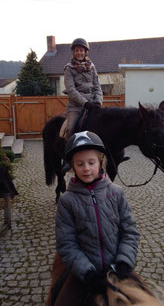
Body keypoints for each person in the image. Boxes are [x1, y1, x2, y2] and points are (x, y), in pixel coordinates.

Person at [54, 131, 140, 305]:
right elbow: (66, 243)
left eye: (91, 162)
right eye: (80, 164)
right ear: (73, 167)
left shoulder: (116, 193)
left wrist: (124, 261)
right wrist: (87, 272)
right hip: (85, 273)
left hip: (117, 267)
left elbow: (130, 231)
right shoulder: (67, 201)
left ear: (101, 162)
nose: (86, 168)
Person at [63, 38, 103, 140]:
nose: (79, 53)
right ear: (73, 52)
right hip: (76, 107)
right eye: (77, 50)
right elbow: (71, 90)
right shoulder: (69, 68)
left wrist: (98, 102)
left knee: (106, 127)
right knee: (70, 129)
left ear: (85, 52)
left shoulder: (92, 67)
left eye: (81, 50)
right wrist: (85, 103)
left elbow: (97, 86)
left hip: (93, 104)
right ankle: (69, 154)